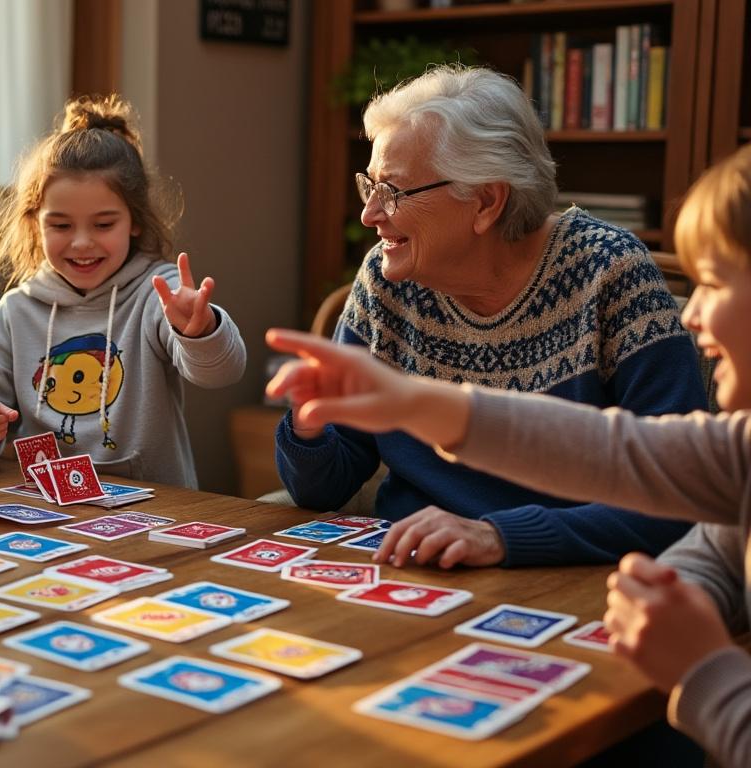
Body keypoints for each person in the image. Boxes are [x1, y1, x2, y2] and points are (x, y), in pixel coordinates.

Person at [263, 142, 751, 767]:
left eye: (711, 284)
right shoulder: (739, 449)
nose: (696, 313)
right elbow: (620, 458)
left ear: (486, 201)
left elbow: (631, 468)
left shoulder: (605, 269)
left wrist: (703, 667)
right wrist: (682, 594)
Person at [276, 64, 706, 568]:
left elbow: (678, 498)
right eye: (368, 186)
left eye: (391, 190)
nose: (370, 214)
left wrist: (501, 536)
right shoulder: (388, 281)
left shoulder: (610, 276)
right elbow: (328, 483)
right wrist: (308, 428)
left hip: (569, 577)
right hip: (413, 566)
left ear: (484, 201)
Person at [0, 95, 246, 487]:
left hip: (154, 511)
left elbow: (224, 372)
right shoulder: (17, 310)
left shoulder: (159, 294)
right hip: (45, 511)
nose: (82, 243)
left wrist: (200, 330)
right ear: (36, 222)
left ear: (134, 222)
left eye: (103, 225)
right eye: (61, 226)